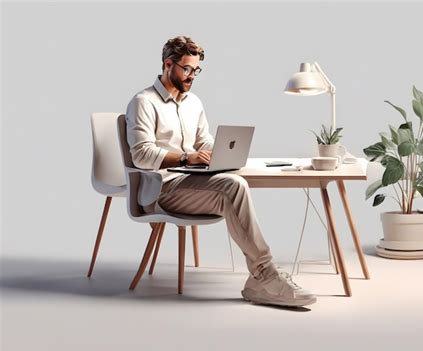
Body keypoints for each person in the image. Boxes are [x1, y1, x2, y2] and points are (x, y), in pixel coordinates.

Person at [126, 35, 316, 307]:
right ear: (168, 64)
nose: (192, 76)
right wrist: (186, 156)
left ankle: (260, 279)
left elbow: (203, 141)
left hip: (192, 182)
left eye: (196, 70)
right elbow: (141, 155)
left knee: (234, 180)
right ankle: (265, 275)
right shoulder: (143, 102)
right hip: (161, 188)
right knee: (233, 187)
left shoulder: (194, 103)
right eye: (187, 69)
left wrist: (217, 154)